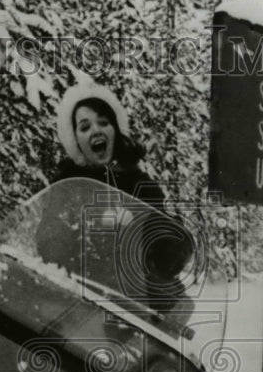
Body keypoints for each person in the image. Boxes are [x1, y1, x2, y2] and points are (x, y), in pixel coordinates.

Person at [36, 82, 194, 312]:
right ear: (76, 139)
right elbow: (47, 241)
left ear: (115, 130)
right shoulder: (66, 186)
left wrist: (174, 243)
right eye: (84, 126)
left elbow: (162, 253)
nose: (96, 130)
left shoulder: (142, 187)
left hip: (132, 310)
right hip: (75, 304)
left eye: (103, 122)